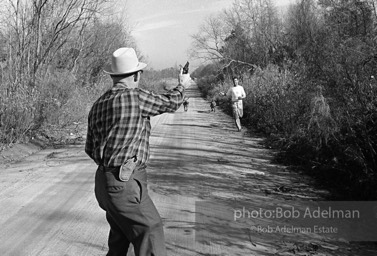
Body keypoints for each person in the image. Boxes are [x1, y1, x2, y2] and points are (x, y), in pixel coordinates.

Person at [85, 47, 190, 256]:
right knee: (150, 231)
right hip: (125, 183)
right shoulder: (136, 97)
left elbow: (90, 148)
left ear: (113, 76)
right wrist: (182, 84)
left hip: (104, 183)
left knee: (120, 238)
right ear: (135, 74)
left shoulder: (98, 104)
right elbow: (172, 102)